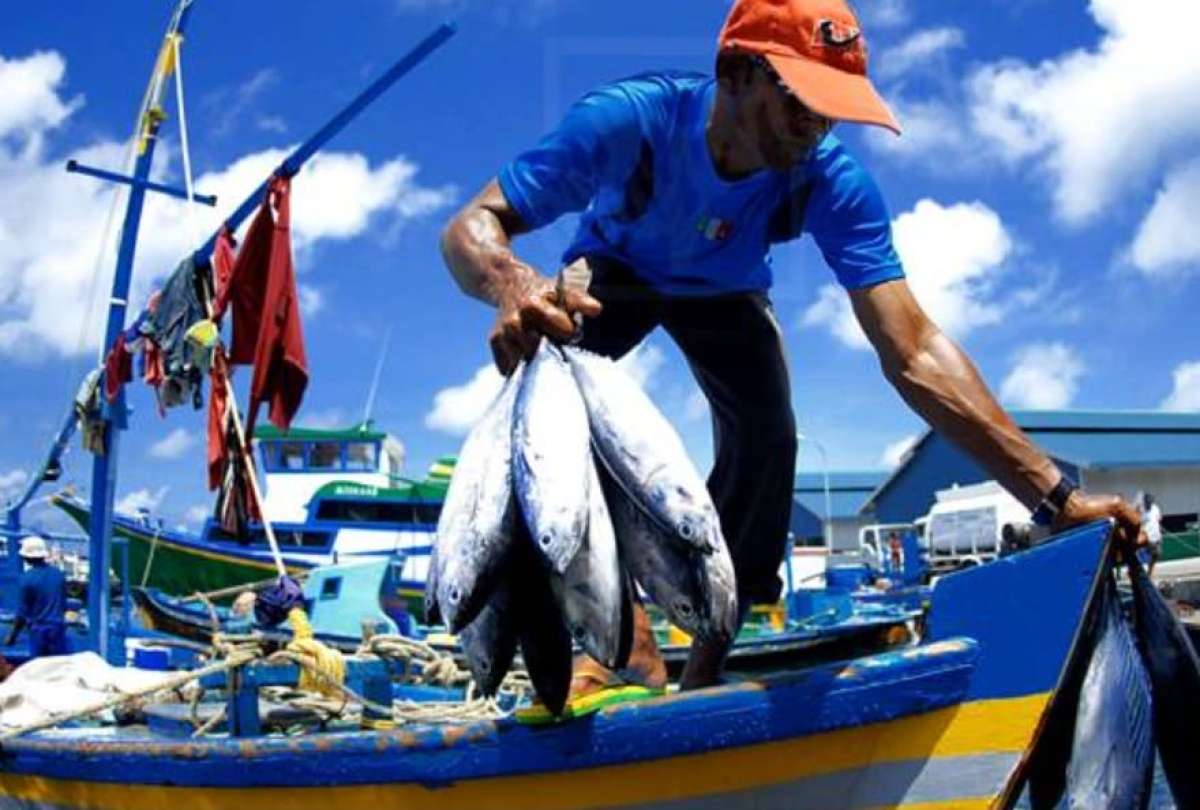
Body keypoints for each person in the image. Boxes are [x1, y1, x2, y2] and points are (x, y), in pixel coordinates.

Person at [440, 0, 1142, 691]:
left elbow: (916, 349)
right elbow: (473, 224)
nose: (817, 127)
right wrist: (511, 283)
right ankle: (622, 641)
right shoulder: (632, 120)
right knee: (545, 398)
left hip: (726, 293)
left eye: (832, 107)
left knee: (770, 439)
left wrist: (1057, 498)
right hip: (614, 275)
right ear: (736, 72)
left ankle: (708, 663)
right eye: (801, 101)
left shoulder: (832, 181)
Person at [4, 536, 68, 658]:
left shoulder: (26, 579)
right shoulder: (58, 574)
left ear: (26, 557)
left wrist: (12, 636)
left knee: (39, 668)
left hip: (39, 631)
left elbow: (22, 614)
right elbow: (63, 604)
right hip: (58, 629)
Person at [1141, 492, 1163, 578]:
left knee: (1157, 555)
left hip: (1156, 536)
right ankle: (1145, 573)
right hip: (1147, 537)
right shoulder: (1142, 511)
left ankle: (1149, 572)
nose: (1149, 503)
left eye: (1150, 501)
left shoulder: (1155, 508)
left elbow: (1159, 518)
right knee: (1146, 555)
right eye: (1148, 501)